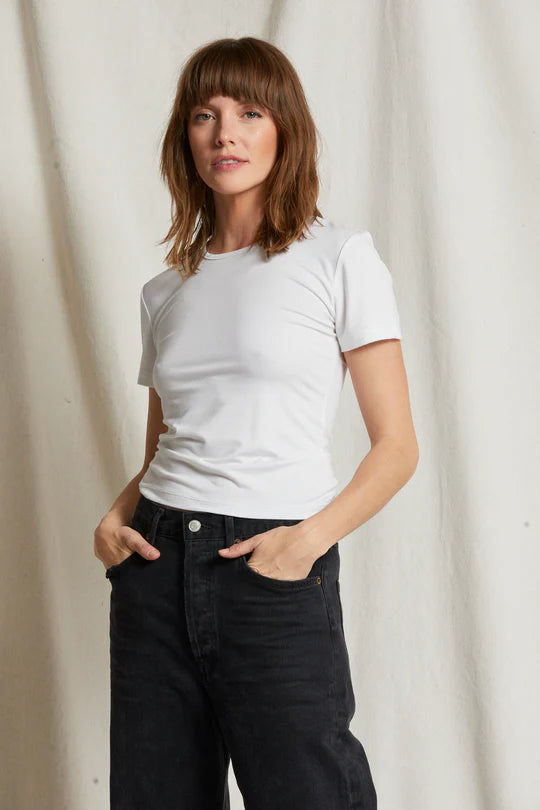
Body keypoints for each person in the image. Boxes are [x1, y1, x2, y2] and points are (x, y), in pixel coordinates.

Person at [94, 36, 418, 810]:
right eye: (204, 115)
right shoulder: (165, 291)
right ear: (185, 137)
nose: (225, 134)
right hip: (154, 569)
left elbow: (397, 448)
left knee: (311, 792)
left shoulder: (338, 257)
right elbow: (167, 445)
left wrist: (305, 542)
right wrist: (115, 517)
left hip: (270, 569)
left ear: (285, 130)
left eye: (249, 112)